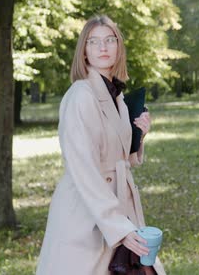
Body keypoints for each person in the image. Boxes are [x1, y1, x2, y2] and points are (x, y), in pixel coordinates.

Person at [36, 15, 166, 275]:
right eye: (93, 42)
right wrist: (120, 229)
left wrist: (140, 135)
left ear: (119, 47)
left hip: (116, 207)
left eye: (109, 40)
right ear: (84, 52)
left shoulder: (115, 96)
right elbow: (83, 167)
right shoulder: (80, 96)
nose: (102, 47)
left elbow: (118, 158)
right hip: (86, 216)